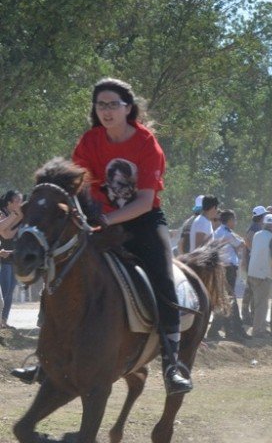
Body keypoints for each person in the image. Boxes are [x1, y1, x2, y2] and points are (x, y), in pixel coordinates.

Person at [71, 77, 193, 393]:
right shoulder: (89, 142)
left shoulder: (146, 143)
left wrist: (107, 219)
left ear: (128, 108)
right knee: (62, 266)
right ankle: (45, 357)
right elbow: (80, 187)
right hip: (98, 220)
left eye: (113, 104)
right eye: (101, 105)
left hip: (144, 222)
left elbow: (142, 201)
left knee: (164, 279)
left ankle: (172, 365)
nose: (106, 111)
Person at [207, 209, 249, 342]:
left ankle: (223, 329)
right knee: (229, 299)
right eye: (234, 219)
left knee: (227, 299)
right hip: (228, 269)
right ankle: (230, 331)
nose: (235, 222)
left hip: (222, 268)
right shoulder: (227, 233)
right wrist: (238, 245)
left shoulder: (219, 232)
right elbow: (242, 244)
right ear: (230, 220)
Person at [247, 213, 272, 338]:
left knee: (257, 303)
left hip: (252, 273)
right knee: (262, 304)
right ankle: (257, 331)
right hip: (263, 274)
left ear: (264, 224)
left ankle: (260, 327)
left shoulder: (257, 235)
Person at [0, 190, 24, 328]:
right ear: (9, 203)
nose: (20, 204)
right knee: (4, 292)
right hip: (3, 258)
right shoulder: (2, 213)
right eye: (17, 201)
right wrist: (17, 218)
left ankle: (4, 321)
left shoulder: (18, 214)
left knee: (9, 293)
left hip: (13, 257)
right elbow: (6, 235)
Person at [241, 205, 267, 325]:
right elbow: (247, 243)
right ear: (261, 217)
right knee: (251, 291)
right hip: (253, 264)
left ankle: (249, 316)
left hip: (252, 263)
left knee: (250, 291)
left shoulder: (255, 227)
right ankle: (248, 317)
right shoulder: (255, 229)